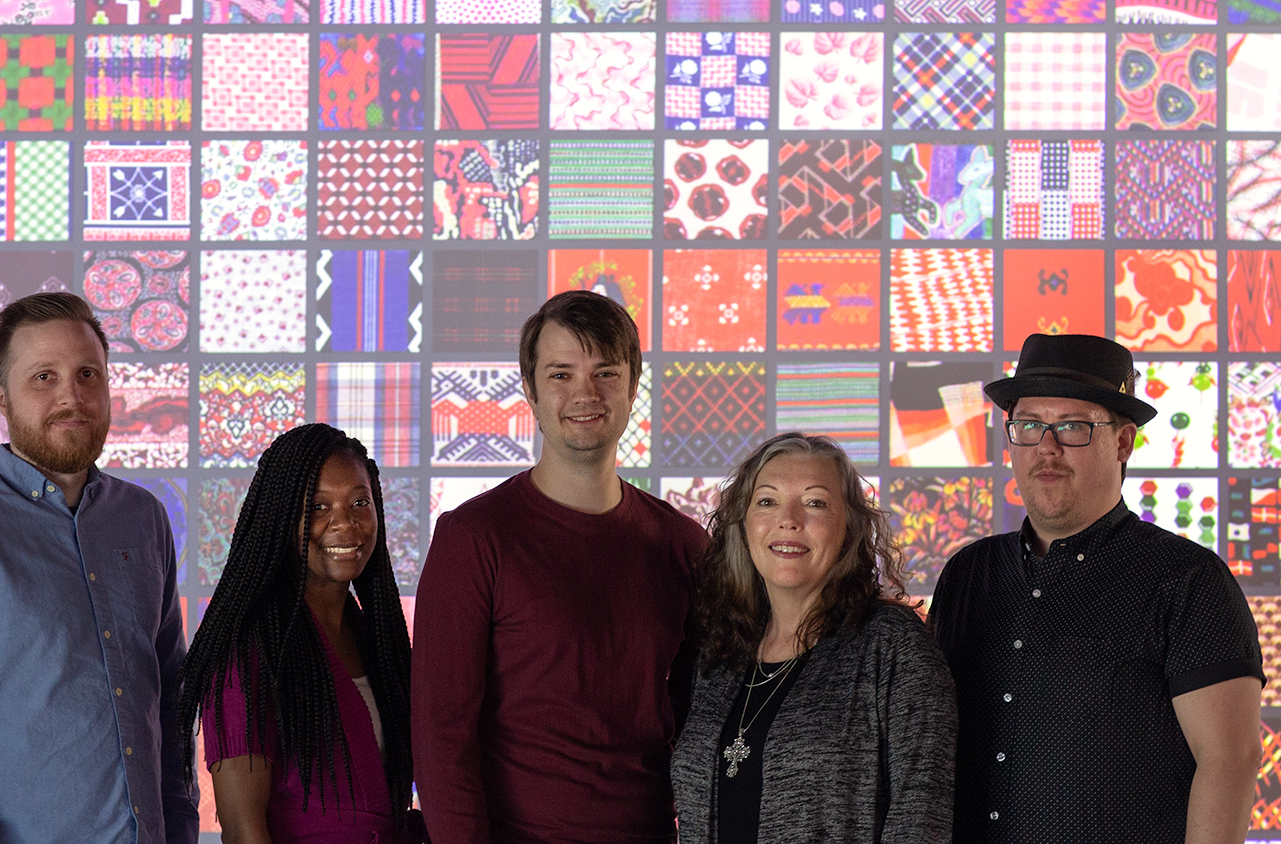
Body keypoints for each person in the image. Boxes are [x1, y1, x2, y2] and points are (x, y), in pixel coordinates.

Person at [0, 292, 198, 844]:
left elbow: (169, 696)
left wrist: (181, 826)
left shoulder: (144, 519)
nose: (72, 396)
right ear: (0, 396)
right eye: (43, 377)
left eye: (87, 373)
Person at [929, 333, 1264, 844]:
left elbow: (1229, 761)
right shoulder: (967, 574)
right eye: (1030, 426)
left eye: (1072, 427)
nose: (1047, 447)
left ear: (1123, 442)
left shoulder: (1188, 582)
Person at [412, 290, 708, 844]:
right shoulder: (473, 539)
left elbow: (702, 716)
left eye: (604, 373)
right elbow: (440, 737)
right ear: (529, 391)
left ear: (633, 385)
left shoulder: (683, 544)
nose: (584, 394)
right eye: (561, 374)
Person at [672, 432, 957, 843]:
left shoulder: (893, 647)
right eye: (767, 501)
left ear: (850, 527)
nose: (789, 519)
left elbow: (921, 819)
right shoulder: (719, 653)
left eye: (815, 502)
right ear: (743, 522)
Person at [178, 423, 417, 843]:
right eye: (318, 507)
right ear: (281, 518)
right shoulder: (250, 649)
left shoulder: (378, 641)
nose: (346, 524)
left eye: (359, 502)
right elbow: (243, 830)